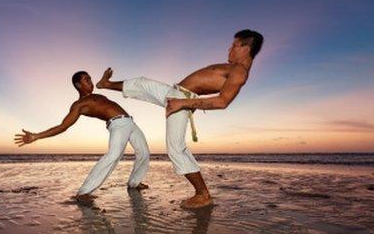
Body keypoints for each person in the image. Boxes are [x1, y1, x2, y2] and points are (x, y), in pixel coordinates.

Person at [96, 29, 263, 209]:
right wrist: (181, 100)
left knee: (175, 148)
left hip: (181, 99)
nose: (229, 49)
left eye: (234, 46)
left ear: (246, 49)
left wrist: (183, 103)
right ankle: (106, 84)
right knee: (141, 83)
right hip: (175, 93)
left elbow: (222, 102)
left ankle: (202, 194)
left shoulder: (239, 72)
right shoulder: (233, 68)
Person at [14, 71, 150, 203]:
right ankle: (84, 192)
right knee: (113, 155)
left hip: (130, 122)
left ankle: (134, 182)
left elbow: (101, 84)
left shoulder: (97, 95)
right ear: (79, 85)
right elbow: (63, 126)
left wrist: (104, 81)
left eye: (90, 78)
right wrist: (36, 136)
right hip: (118, 124)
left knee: (144, 152)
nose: (90, 82)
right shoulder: (79, 105)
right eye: (87, 80)